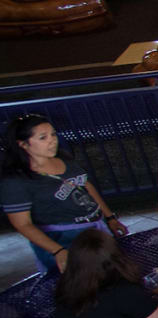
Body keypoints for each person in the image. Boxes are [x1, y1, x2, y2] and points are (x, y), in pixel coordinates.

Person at [3, 113, 127, 273]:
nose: (52, 140)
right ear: (23, 144)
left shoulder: (64, 160)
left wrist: (110, 217)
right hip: (64, 238)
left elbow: (86, 186)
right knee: (82, 282)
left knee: (112, 272)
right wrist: (58, 250)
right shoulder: (16, 181)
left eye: (53, 134)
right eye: (43, 137)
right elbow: (22, 224)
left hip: (95, 228)